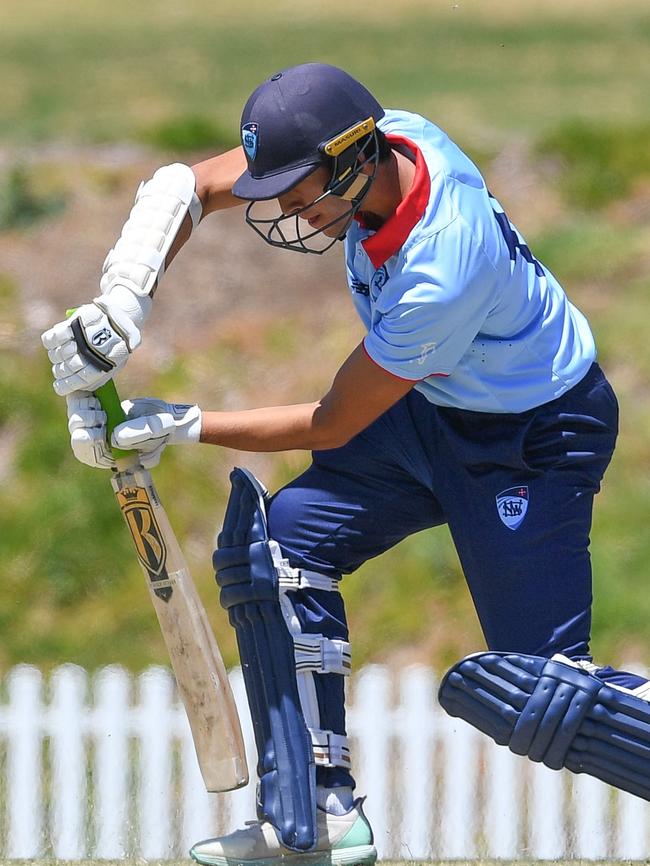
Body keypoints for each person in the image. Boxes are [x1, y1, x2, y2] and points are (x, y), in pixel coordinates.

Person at [41, 63, 650, 865]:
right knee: (282, 550)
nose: (288, 210)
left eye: (301, 192)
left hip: (532, 439)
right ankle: (317, 811)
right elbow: (185, 186)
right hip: (436, 410)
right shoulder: (388, 137)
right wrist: (125, 297)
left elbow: (331, 424)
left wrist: (183, 425)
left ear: (357, 156)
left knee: (536, 694)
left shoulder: (440, 268)